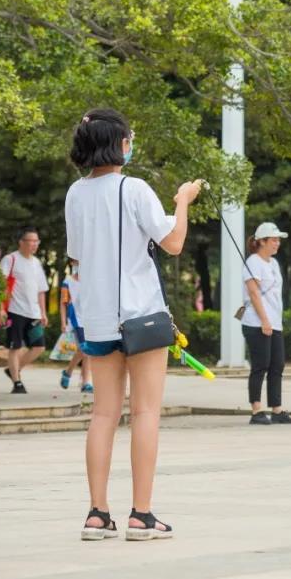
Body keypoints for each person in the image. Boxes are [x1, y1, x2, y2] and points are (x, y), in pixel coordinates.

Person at [66, 108, 202, 541]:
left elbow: (78, 255)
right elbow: (174, 243)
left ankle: (96, 513)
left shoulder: (75, 193)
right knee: (145, 412)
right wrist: (182, 201)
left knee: (103, 413)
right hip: (141, 314)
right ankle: (141, 515)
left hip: (97, 317)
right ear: (120, 143)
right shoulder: (134, 188)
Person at [241, 222, 291, 426]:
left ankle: (277, 409)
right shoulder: (253, 262)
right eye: (273, 240)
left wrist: (273, 321)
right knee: (260, 365)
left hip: (274, 323)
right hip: (256, 323)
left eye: (278, 240)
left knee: (277, 365)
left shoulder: (273, 264)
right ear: (262, 241)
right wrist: (265, 320)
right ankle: (256, 410)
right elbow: (254, 294)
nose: (277, 243)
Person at [0, 227, 49, 394]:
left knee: (39, 347)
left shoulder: (36, 263)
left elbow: (41, 290)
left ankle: (13, 370)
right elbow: (1, 285)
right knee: (15, 347)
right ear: (22, 242)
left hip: (34, 312)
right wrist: (1, 308)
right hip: (15, 311)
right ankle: (17, 382)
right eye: (31, 241)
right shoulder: (10, 259)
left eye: (37, 241)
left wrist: (43, 313)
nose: (34, 244)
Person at [59, 260, 92, 393]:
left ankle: (68, 372)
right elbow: (63, 303)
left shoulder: (91, 280)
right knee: (86, 351)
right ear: (73, 263)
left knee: (85, 351)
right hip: (76, 320)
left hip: (91, 319)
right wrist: (63, 322)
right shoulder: (68, 282)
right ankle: (86, 383)